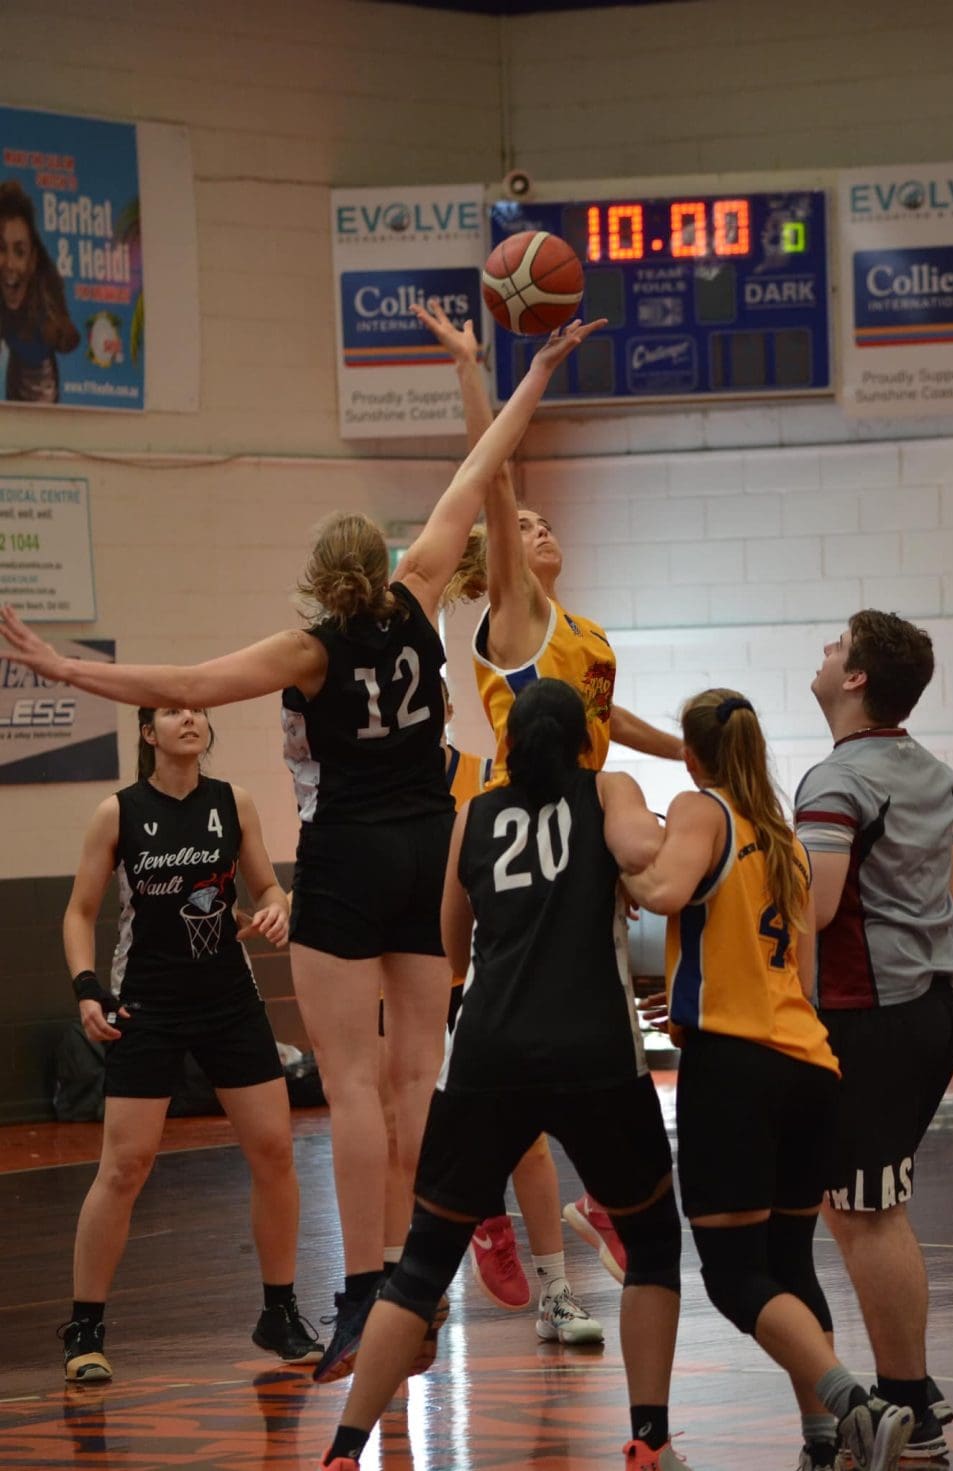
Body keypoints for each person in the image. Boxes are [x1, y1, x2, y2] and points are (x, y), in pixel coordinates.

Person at [0, 315, 601, 1386]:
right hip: (431, 847)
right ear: (385, 563)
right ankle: (418, 1271)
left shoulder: (309, 649)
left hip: (346, 860)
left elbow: (183, 683)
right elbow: (482, 464)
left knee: (352, 1082)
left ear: (320, 581)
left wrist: (67, 669)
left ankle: (365, 1286)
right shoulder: (422, 590)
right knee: (419, 1075)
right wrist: (527, 370)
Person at [320, 678, 686, 1471]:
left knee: (420, 1266)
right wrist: (633, 870)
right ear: (586, 743)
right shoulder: (608, 788)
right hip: (594, 1050)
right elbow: (644, 856)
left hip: (488, 1051)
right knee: (655, 1243)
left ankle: (345, 1449)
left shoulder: (475, 813)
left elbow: (453, 947)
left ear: (509, 744)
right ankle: (649, 1438)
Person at [414, 299, 680, 1281]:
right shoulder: (515, 615)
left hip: (580, 818)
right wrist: (472, 369)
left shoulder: (584, 634)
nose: (535, 526)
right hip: (517, 823)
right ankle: (481, 1203)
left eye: (543, 520)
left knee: (580, 1021)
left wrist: (689, 750)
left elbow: (609, 720)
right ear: (500, 556)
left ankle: (594, 1195)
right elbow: (494, 477)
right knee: (507, 1010)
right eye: (520, 526)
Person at [624, 687, 915, 1471]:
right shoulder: (786, 840)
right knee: (789, 1264)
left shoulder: (701, 807)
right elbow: (794, 975)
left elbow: (664, 891)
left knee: (732, 1275)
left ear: (693, 756)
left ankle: (856, 1406)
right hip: (808, 1065)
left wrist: (617, 865)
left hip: (736, 1068)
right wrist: (696, 989)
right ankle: (824, 1441)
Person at [58, 706, 320, 1382]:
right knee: (126, 1165)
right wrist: (87, 988)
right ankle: (85, 1329)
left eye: (197, 710)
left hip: (230, 999)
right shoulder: (117, 813)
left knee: (274, 1150)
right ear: (148, 733)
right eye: (172, 712)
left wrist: (276, 906)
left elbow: (267, 885)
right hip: (148, 1001)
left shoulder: (233, 802)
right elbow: (79, 911)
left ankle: (280, 1312)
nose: (189, 719)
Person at [794, 611, 953, 1462]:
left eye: (837, 646)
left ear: (857, 677)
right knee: (868, 1206)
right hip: (928, 1007)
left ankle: (907, 1403)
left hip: (871, 1017)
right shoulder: (936, 773)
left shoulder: (837, 779)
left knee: (867, 1215)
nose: (825, 652)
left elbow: (816, 909)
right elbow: (949, 886)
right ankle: (914, 1388)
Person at [441, 677, 602, 1342]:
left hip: (482, 971)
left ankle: (555, 1290)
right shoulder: (361, 788)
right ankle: (432, 1264)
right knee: (409, 1133)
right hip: (416, 962)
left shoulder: (483, 780)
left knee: (528, 1139)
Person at [0, 180, 79, 402]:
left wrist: (60, 334)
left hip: (45, 383)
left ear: (33, 259)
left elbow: (71, 338)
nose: (9, 264)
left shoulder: (46, 294)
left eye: (20, 252)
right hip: (15, 380)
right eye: (1, 249)